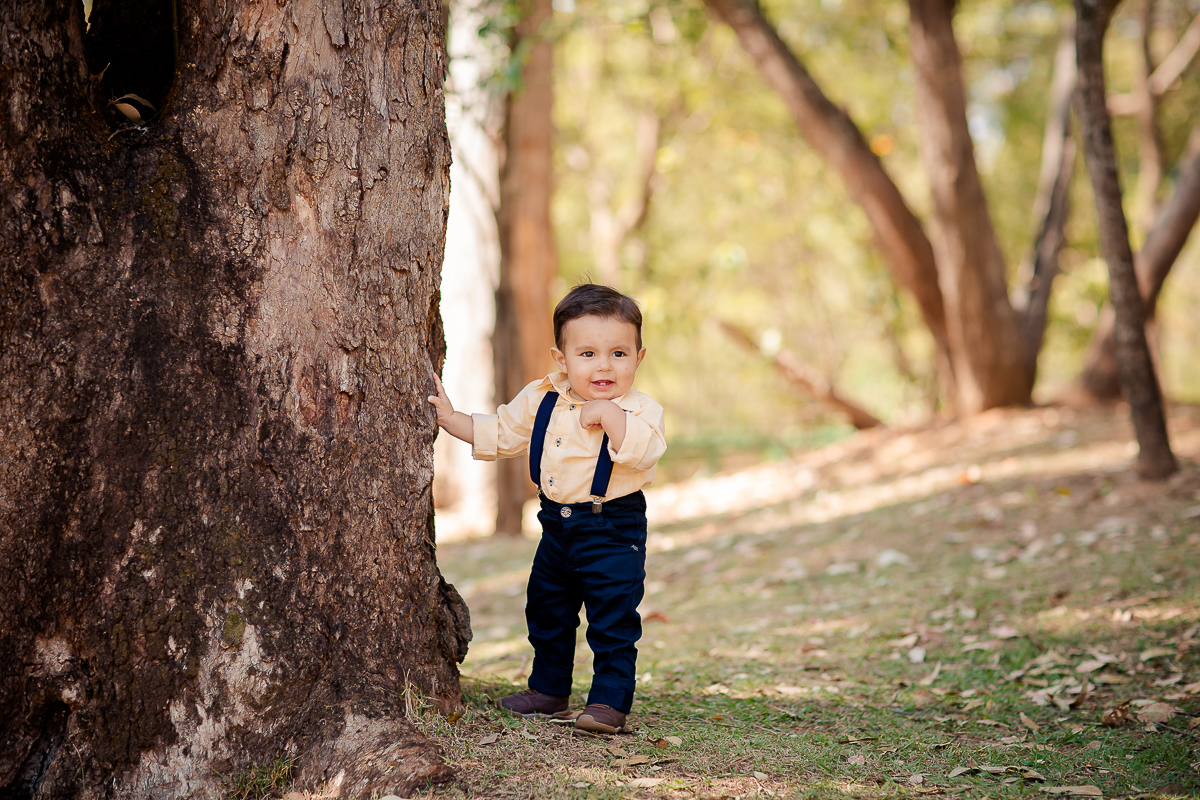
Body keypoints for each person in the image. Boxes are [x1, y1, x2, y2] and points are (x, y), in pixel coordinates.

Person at [428, 283, 667, 734]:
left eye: (619, 353)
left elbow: (645, 452)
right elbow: (502, 431)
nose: (603, 365)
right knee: (547, 609)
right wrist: (452, 419)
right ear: (562, 359)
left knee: (612, 616)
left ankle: (608, 701)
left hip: (613, 527)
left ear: (638, 357)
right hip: (556, 526)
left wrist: (611, 417)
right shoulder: (543, 398)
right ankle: (549, 688)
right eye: (588, 353)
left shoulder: (640, 410)